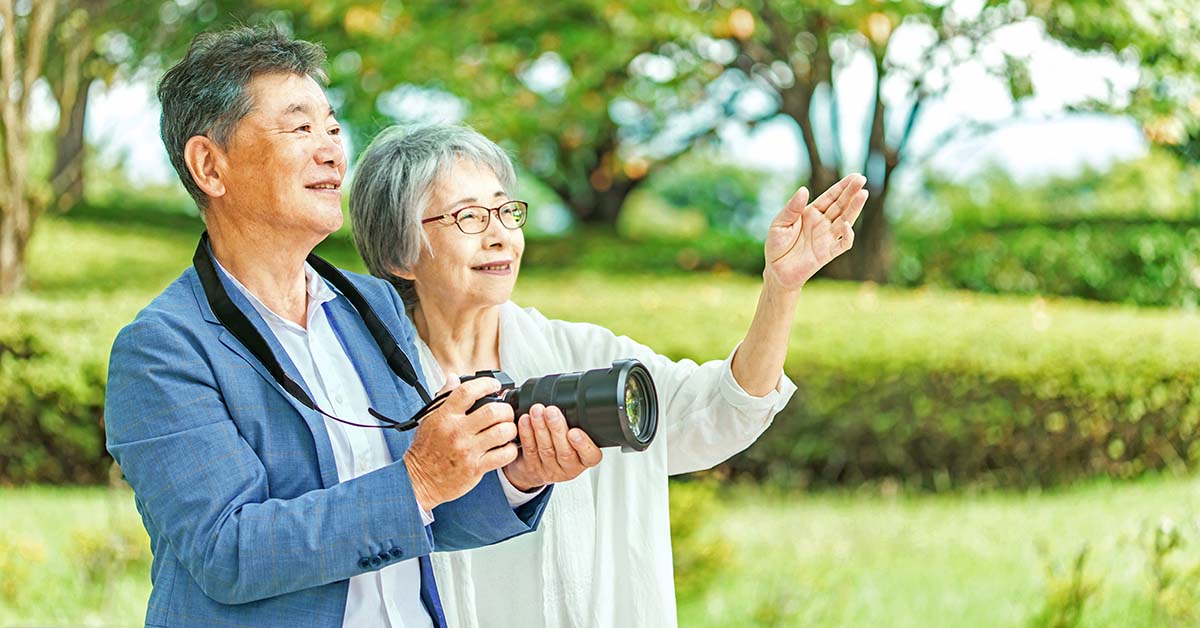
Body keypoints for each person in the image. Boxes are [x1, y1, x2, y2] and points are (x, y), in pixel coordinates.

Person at [104, 27, 593, 628]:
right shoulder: (163, 349)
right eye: (300, 127)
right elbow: (226, 551)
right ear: (210, 164)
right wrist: (418, 479)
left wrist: (517, 475)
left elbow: (425, 517)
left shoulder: (373, 306)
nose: (333, 150)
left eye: (333, 127)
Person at [348, 123, 869, 627]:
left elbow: (722, 410)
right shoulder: (363, 393)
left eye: (506, 211)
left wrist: (782, 285)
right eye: (468, 218)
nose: (500, 236)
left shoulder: (583, 355)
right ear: (400, 252)